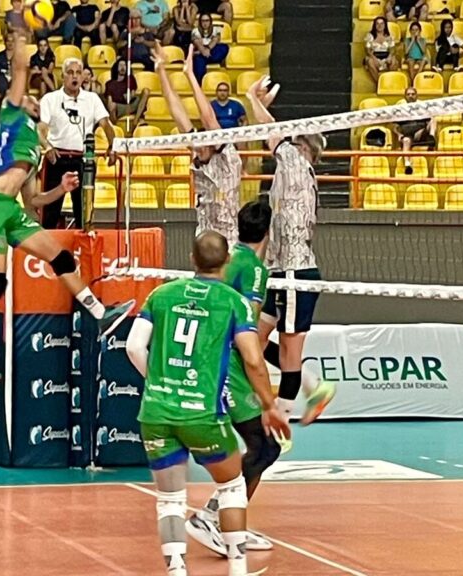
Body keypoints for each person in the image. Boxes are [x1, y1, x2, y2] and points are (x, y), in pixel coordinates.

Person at [0, 34, 134, 378]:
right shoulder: (11, 118)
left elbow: (33, 201)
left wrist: (62, 188)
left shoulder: (33, 145)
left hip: (12, 211)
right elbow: (20, 70)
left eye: (31, 99)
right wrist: (21, 30)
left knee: (61, 258)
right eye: (28, 97)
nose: (30, 99)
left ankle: (100, 315)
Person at [126, 230, 289, 576]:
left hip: (156, 412)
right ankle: (237, 568)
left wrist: (156, 382)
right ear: (227, 260)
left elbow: (133, 347)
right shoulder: (234, 302)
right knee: (231, 486)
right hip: (202, 413)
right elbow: (253, 359)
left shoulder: (161, 294)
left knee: (170, 500)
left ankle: (177, 571)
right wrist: (269, 405)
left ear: (192, 260)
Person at [185, 201, 280, 555]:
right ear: (269, 232)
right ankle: (212, 516)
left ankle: (231, 523)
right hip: (231, 367)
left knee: (263, 447)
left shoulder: (229, 258)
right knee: (265, 446)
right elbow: (247, 325)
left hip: (210, 361)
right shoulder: (254, 268)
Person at [247, 76, 336, 433]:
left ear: (303, 146)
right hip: (278, 271)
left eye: (294, 139)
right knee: (251, 340)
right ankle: (314, 384)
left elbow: (271, 132)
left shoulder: (297, 164)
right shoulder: (290, 170)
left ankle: (279, 425)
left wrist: (253, 99)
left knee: (288, 352)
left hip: (297, 274)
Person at [152, 43, 242, 243]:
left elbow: (208, 117)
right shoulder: (198, 153)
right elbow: (175, 109)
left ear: (212, 144)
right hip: (203, 235)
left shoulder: (227, 157)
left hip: (228, 238)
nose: (197, 149)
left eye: (202, 146)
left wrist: (190, 75)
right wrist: (161, 71)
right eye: (196, 146)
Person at [39, 57, 117, 229]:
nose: (74, 76)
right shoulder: (50, 99)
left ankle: (84, 243)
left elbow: (106, 124)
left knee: (84, 214)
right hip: (57, 159)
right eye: (70, 72)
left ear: (83, 76)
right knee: (50, 213)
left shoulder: (92, 99)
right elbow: (40, 129)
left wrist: (113, 146)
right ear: (62, 76)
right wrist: (47, 146)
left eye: (78, 73)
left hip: (83, 160)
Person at [392, 87, 436, 175]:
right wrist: (399, 134)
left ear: (416, 96)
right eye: (408, 94)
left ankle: (431, 139)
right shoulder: (400, 110)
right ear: (405, 97)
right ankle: (407, 164)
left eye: (413, 94)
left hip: (421, 133)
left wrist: (423, 131)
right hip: (408, 135)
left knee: (433, 119)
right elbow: (394, 127)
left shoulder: (422, 108)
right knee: (406, 140)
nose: (410, 96)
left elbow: (429, 122)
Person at [104, 58, 150, 134]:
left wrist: (129, 96)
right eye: (120, 65)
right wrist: (119, 100)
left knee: (146, 91)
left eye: (125, 65)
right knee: (112, 106)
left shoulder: (130, 79)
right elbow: (109, 101)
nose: (123, 67)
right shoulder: (109, 84)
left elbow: (132, 95)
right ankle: (115, 130)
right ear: (116, 67)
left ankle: (135, 121)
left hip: (131, 104)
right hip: (120, 107)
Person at [191, 13, 229, 85]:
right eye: (203, 21)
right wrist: (203, 50)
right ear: (200, 22)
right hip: (201, 51)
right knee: (198, 61)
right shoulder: (195, 30)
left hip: (211, 50)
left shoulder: (216, 29)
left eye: (207, 20)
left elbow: (215, 40)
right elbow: (197, 43)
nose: (205, 23)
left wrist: (207, 49)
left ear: (210, 21)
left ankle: (201, 55)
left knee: (224, 47)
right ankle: (201, 85)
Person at [364, 16, 398, 84]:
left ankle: (389, 82)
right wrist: (374, 58)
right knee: (370, 61)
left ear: (385, 25)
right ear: (374, 25)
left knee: (394, 61)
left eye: (382, 23)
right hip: (374, 56)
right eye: (377, 23)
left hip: (386, 56)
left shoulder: (389, 36)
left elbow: (392, 49)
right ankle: (379, 83)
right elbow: (367, 50)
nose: (380, 26)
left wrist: (390, 56)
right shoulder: (370, 36)